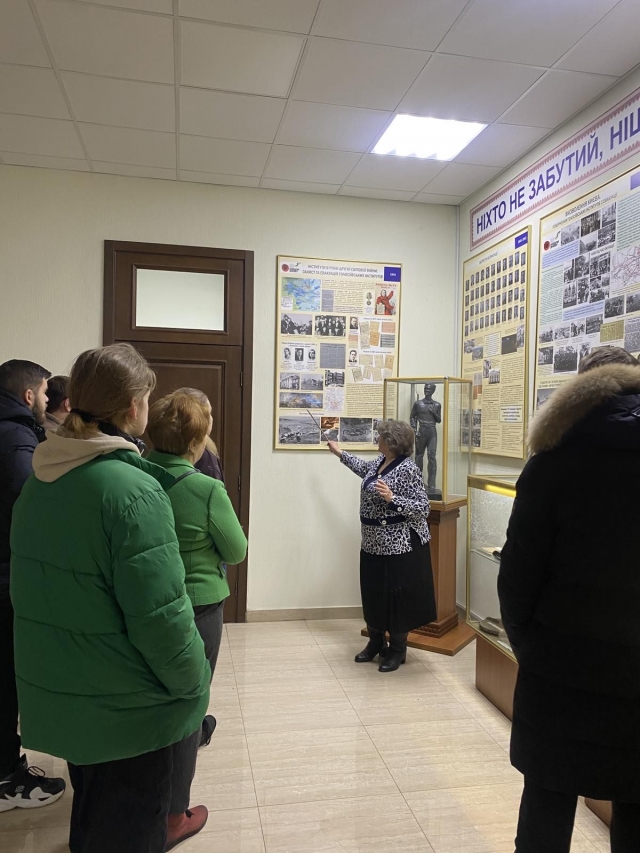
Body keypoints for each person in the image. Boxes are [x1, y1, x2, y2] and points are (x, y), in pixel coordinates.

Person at [9, 344, 211, 852]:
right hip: (125, 707)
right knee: (128, 829)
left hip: (71, 688)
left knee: (94, 817)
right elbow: (161, 617)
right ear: (133, 406)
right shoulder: (130, 491)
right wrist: (195, 683)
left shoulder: (42, 477)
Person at [498, 346, 640, 853]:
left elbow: (516, 580)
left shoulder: (552, 463)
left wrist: (531, 650)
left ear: (578, 390)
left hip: (559, 674)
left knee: (546, 807)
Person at [146, 390, 247, 764]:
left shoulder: (133, 473)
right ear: (194, 443)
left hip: (144, 596)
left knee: (151, 681)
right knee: (193, 688)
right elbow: (236, 551)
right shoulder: (206, 488)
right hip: (197, 601)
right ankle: (180, 771)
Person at [0, 359, 67, 811]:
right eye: (44, 392)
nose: (47, 399)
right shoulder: (15, 437)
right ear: (29, 395)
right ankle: (7, 779)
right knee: (5, 681)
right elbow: (33, 506)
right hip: (5, 577)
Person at [328, 420, 436, 672]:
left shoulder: (408, 469)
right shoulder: (379, 462)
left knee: (395, 599)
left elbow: (423, 507)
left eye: (381, 437)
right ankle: (376, 642)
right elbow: (362, 468)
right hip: (372, 543)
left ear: (392, 443)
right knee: (373, 593)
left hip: (398, 547)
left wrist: (392, 498)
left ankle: (397, 649)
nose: (377, 440)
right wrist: (339, 453)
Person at [410, 384, 442, 497]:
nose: (426, 390)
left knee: (432, 457)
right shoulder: (418, 404)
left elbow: (439, 420)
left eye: (429, 389)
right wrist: (414, 429)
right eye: (425, 389)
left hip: (432, 431)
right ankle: (418, 483)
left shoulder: (437, 405)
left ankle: (431, 484)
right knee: (419, 457)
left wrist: (434, 412)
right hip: (421, 430)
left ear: (433, 390)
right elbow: (412, 417)